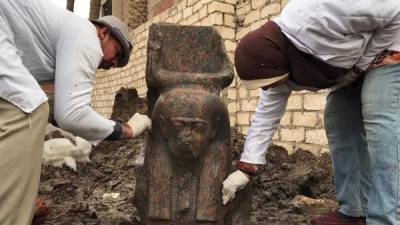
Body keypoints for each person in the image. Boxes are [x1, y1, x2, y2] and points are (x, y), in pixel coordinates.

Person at [221, 0, 400, 224]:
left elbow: (395, 10)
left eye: (276, 83)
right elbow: (265, 117)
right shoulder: (275, 61)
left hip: (391, 42)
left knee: (380, 115)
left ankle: (387, 217)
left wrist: (362, 65)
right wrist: (246, 170)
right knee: (338, 116)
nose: (275, 88)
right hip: (355, 64)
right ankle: (354, 213)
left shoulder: (320, 12)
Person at [0, 0, 151, 224]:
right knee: (28, 110)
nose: (113, 63)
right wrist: (126, 130)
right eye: (117, 53)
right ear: (104, 33)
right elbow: (71, 114)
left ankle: (17, 201)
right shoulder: (87, 36)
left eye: (119, 62)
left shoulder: (64, 39)